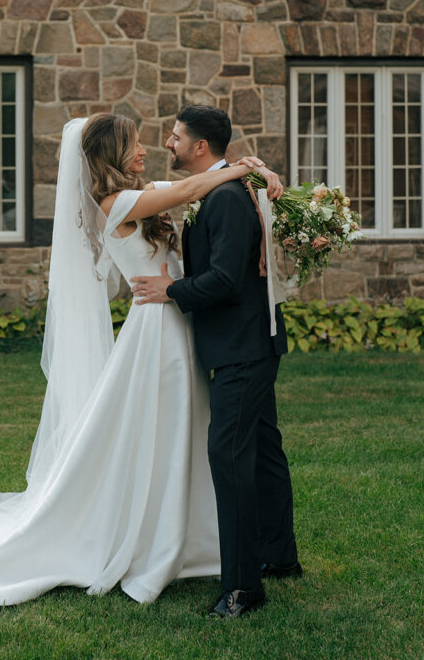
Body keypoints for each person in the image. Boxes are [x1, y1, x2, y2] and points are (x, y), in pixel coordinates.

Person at [0, 114, 281, 607]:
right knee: (163, 430)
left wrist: (253, 173)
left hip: (178, 322)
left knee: (181, 433)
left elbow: (191, 185)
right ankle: (155, 536)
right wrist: (240, 169)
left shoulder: (136, 192)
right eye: (133, 144)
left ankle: (185, 532)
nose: (146, 149)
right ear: (111, 154)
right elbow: (190, 187)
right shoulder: (115, 203)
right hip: (157, 331)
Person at [132, 105, 302, 620]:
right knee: (265, 452)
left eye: (176, 136)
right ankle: (279, 556)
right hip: (249, 343)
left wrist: (172, 289)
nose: (169, 142)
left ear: (200, 147)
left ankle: (243, 587)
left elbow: (225, 280)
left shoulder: (225, 197)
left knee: (230, 460)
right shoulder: (223, 188)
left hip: (242, 349)